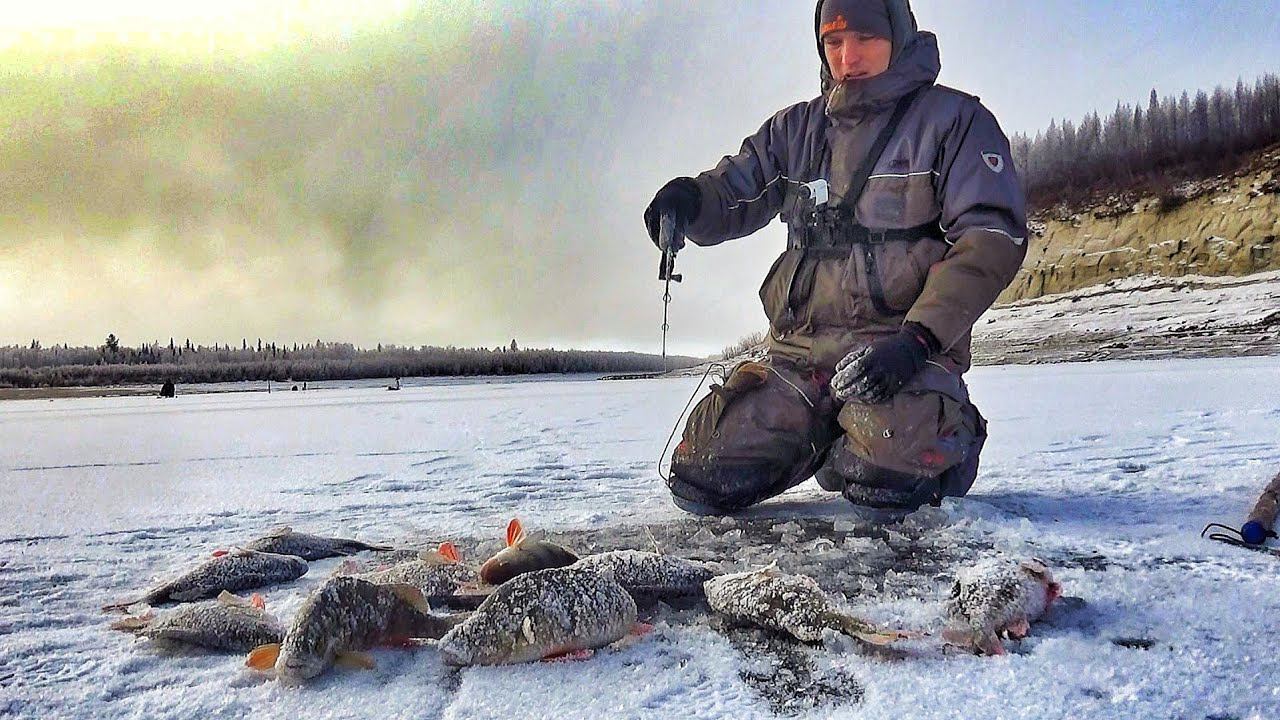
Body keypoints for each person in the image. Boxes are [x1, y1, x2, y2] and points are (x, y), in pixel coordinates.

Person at [645, 0, 1027, 514]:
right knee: (703, 470)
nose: (849, 57)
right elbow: (735, 190)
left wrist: (918, 341)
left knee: (887, 475)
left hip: (900, 355)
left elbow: (990, 237)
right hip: (800, 359)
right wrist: (690, 200)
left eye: (866, 38)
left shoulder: (956, 123)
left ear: (899, 35)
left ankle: (946, 439)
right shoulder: (795, 131)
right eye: (834, 42)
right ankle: (830, 434)